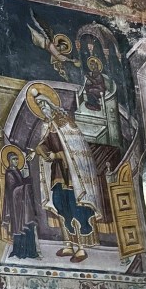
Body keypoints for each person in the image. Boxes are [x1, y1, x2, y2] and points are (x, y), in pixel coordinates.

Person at [30, 86, 101, 262]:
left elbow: (75, 149)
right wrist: (40, 150)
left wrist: (58, 155)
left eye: (43, 105)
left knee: (76, 207)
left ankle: (81, 247)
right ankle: (68, 243)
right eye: (39, 106)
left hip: (72, 175)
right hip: (58, 174)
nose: (42, 109)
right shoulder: (47, 127)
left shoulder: (65, 123)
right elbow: (45, 145)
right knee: (61, 206)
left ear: (50, 105)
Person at [1, 149, 41, 260]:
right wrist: (25, 186)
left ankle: (30, 252)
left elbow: (20, 183)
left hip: (23, 204)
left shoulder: (17, 171)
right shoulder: (9, 173)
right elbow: (13, 190)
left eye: (17, 159)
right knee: (19, 227)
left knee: (27, 226)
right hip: (16, 206)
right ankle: (20, 251)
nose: (16, 161)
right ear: (9, 160)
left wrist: (27, 181)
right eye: (14, 159)